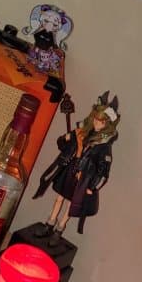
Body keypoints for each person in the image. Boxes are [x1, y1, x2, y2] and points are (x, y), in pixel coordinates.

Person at [30, 92, 120, 240]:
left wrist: (92, 187)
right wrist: (65, 138)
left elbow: (104, 171)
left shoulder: (104, 146)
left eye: (101, 121)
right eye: (96, 119)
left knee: (71, 205)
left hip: (82, 178)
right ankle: (50, 223)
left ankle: (60, 229)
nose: (97, 123)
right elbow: (62, 145)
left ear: (107, 124)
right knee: (59, 198)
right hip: (69, 170)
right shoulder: (83, 131)